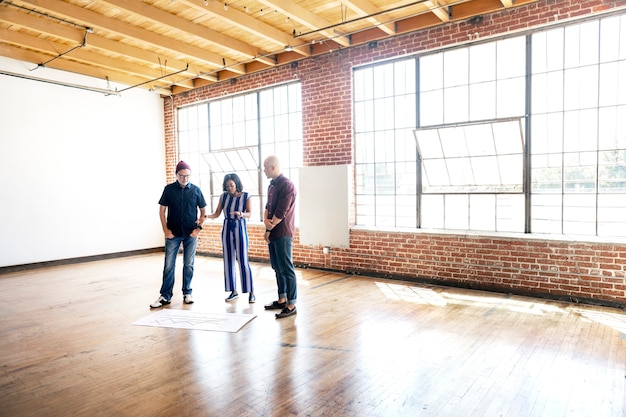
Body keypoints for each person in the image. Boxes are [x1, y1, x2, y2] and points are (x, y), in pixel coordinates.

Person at [150, 160, 207, 308]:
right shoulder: (169, 189)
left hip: (190, 233)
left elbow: (204, 212)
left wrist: (198, 229)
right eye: (182, 176)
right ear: (176, 175)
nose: (185, 179)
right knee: (169, 265)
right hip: (173, 233)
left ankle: (187, 292)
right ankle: (165, 296)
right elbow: (162, 210)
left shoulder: (196, 190)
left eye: (187, 176)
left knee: (188, 264)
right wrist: (165, 230)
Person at [206, 173, 256, 303]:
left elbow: (250, 214)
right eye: (227, 186)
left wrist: (241, 214)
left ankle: (251, 291)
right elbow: (216, 214)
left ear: (237, 184)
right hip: (227, 228)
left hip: (240, 227)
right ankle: (233, 291)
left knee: (243, 260)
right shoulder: (223, 197)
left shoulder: (246, 196)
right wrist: (205, 216)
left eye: (231, 185)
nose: (229, 188)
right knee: (228, 260)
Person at [262, 155, 298, 319]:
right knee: (277, 267)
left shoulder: (287, 185)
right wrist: (267, 226)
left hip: (283, 232)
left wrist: (270, 226)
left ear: (274, 167)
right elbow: (268, 207)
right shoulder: (272, 185)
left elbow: (281, 212)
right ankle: (282, 298)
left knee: (286, 268)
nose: (264, 171)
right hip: (273, 231)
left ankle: (291, 303)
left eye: (265, 168)